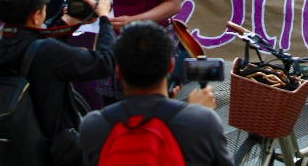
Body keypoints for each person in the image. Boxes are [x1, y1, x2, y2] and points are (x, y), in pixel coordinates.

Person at [0, 0, 115, 165]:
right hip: (53, 153)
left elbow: (31, 44)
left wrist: (63, 21)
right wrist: (105, 18)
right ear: (36, 15)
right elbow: (104, 63)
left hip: (15, 149)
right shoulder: (47, 51)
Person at [80, 20, 230, 166]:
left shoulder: (93, 126)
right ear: (170, 66)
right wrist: (200, 111)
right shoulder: (200, 121)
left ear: (118, 73)